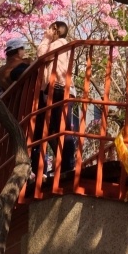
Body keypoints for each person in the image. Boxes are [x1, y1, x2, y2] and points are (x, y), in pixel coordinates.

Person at [31, 20, 78, 175]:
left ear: (55, 30)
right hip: (56, 89)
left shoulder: (59, 44)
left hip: (59, 88)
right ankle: (64, 165)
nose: (47, 31)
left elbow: (42, 56)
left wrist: (46, 38)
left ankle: (68, 165)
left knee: (62, 128)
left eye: (50, 28)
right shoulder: (60, 45)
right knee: (55, 129)